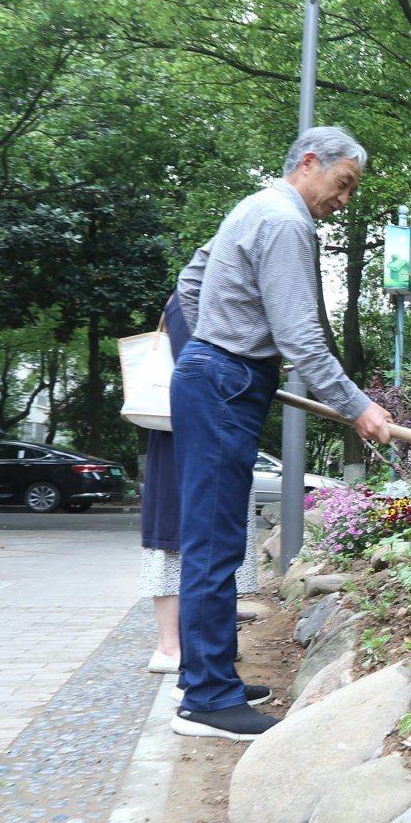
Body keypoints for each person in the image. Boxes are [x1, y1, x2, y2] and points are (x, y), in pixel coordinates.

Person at [169, 126, 391, 739]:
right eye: (343, 183)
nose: (344, 199)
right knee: (214, 543)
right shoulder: (287, 221)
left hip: (216, 378)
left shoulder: (253, 206)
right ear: (310, 162)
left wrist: (212, 345)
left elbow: (190, 284)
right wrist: (358, 407)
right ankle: (207, 700)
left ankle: (209, 674)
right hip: (225, 385)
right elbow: (301, 338)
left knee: (214, 536)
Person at [138, 292, 269, 711]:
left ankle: (201, 670)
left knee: (204, 544)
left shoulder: (200, 299)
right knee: (190, 543)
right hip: (193, 434)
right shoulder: (192, 302)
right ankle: (182, 660)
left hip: (196, 429)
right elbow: (205, 362)